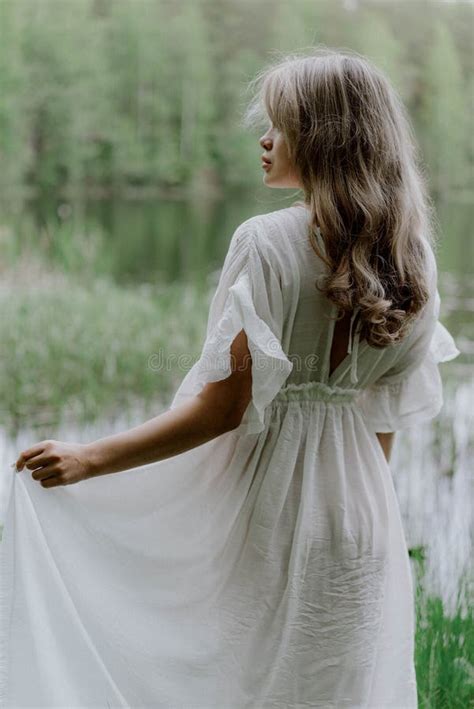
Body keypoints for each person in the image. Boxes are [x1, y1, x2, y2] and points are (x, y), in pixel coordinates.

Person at [2, 48, 461, 707]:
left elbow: (224, 407)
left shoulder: (266, 241)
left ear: (326, 138)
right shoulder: (414, 258)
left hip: (273, 510)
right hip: (364, 516)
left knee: (250, 684)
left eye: (283, 124)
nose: (265, 139)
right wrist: (351, 502)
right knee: (339, 688)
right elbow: (383, 417)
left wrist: (89, 457)